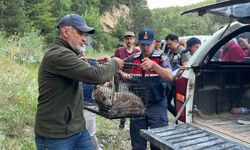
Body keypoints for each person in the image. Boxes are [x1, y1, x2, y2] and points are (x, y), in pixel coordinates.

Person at [34, 14, 123, 150]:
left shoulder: (68, 54)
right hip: (55, 135)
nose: (84, 39)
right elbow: (95, 76)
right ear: (65, 31)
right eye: (81, 33)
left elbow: (86, 70)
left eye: (86, 35)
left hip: (77, 130)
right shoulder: (58, 55)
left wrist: (94, 63)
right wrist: (115, 62)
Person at [126, 28, 173, 150]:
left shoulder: (162, 57)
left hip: (157, 104)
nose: (146, 48)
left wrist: (154, 66)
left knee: (158, 142)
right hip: (138, 105)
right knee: (137, 143)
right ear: (139, 44)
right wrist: (110, 61)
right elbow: (120, 64)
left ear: (153, 43)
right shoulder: (134, 58)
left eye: (148, 44)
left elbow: (169, 76)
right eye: (142, 45)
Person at [114, 31, 140, 130]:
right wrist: (122, 73)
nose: (129, 40)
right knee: (123, 100)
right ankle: (122, 121)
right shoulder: (119, 51)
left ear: (134, 40)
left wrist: (132, 75)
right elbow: (115, 64)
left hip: (134, 80)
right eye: (127, 38)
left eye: (131, 38)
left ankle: (134, 121)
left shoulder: (137, 52)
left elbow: (139, 66)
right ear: (125, 40)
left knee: (134, 100)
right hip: (122, 80)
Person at [165, 33, 190, 119]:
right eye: (167, 44)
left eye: (170, 44)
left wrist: (174, 76)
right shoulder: (169, 52)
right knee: (166, 103)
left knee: (177, 105)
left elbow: (185, 67)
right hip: (169, 83)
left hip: (178, 83)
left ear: (176, 41)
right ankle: (177, 117)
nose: (168, 46)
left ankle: (178, 121)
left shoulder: (183, 52)